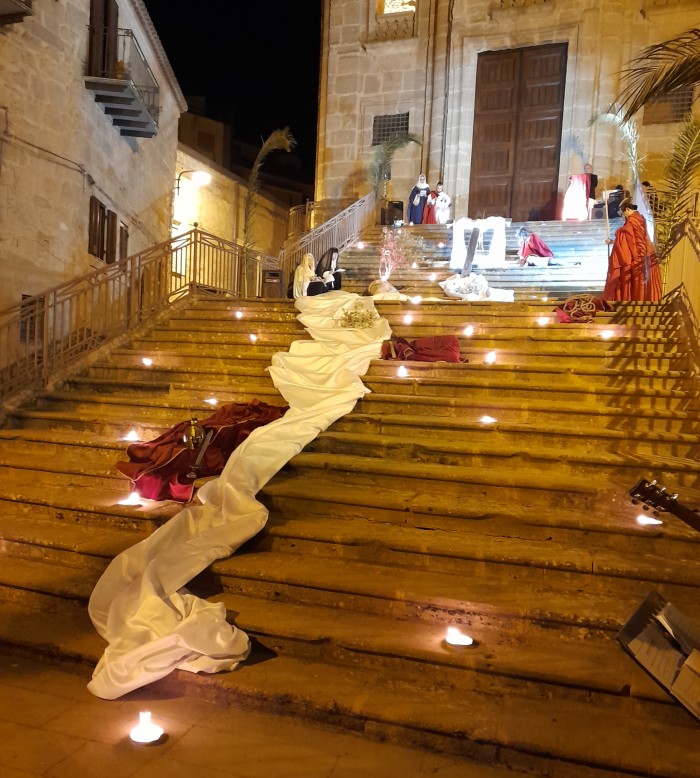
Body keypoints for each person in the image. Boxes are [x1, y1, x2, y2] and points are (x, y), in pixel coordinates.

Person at [602, 197, 661, 302]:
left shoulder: (631, 223)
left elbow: (627, 241)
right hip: (647, 253)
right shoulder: (641, 219)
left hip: (635, 258)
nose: (623, 216)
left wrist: (612, 241)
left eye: (623, 213)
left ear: (627, 210)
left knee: (634, 281)